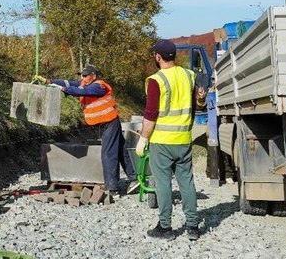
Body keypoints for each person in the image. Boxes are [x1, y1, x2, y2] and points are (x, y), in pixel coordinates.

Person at [135, 39, 206, 241]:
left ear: (158, 57)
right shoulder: (188, 75)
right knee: (187, 182)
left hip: (162, 141)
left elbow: (150, 114)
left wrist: (143, 139)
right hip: (183, 139)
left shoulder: (156, 80)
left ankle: (165, 227)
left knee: (163, 183)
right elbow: (196, 106)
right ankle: (193, 226)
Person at [50, 64, 139, 196]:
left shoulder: (99, 86)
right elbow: (69, 82)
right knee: (120, 150)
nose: (83, 78)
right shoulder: (85, 83)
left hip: (110, 123)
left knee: (108, 154)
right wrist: (51, 81)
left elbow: (83, 92)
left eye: (85, 75)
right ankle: (134, 178)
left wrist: (64, 89)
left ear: (94, 76)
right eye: (82, 75)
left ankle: (112, 188)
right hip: (107, 124)